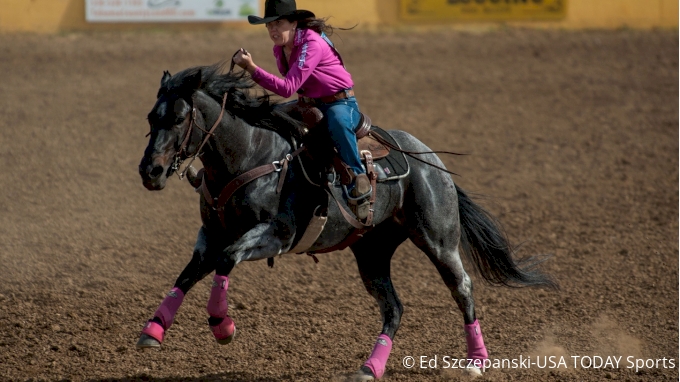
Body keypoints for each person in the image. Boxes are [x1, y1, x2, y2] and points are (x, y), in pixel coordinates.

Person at [233, 0, 371, 220]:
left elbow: (288, 88)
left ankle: (358, 179)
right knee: (268, 116)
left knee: (338, 122)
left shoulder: (312, 43)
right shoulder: (280, 49)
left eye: (278, 23)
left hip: (340, 103)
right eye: (269, 25)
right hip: (309, 103)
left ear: (294, 23)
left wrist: (251, 68)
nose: (273, 29)